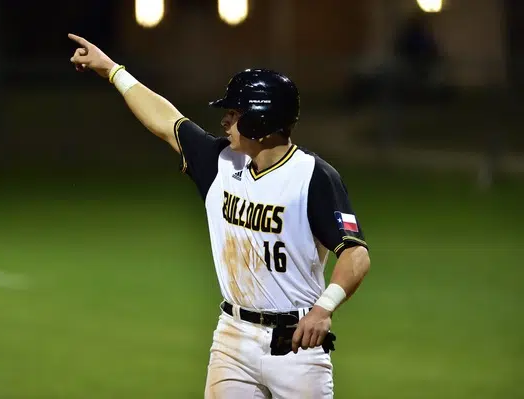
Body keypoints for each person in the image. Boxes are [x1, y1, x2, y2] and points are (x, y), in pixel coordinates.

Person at [68, 33, 371, 399]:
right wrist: (113, 71)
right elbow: (167, 121)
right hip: (232, 338)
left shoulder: (313, 177)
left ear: (260, 120)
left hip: (296, 346)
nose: (226, 121)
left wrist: (323, 309)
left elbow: (356, 254)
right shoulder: (220, 162)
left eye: (235, 113)